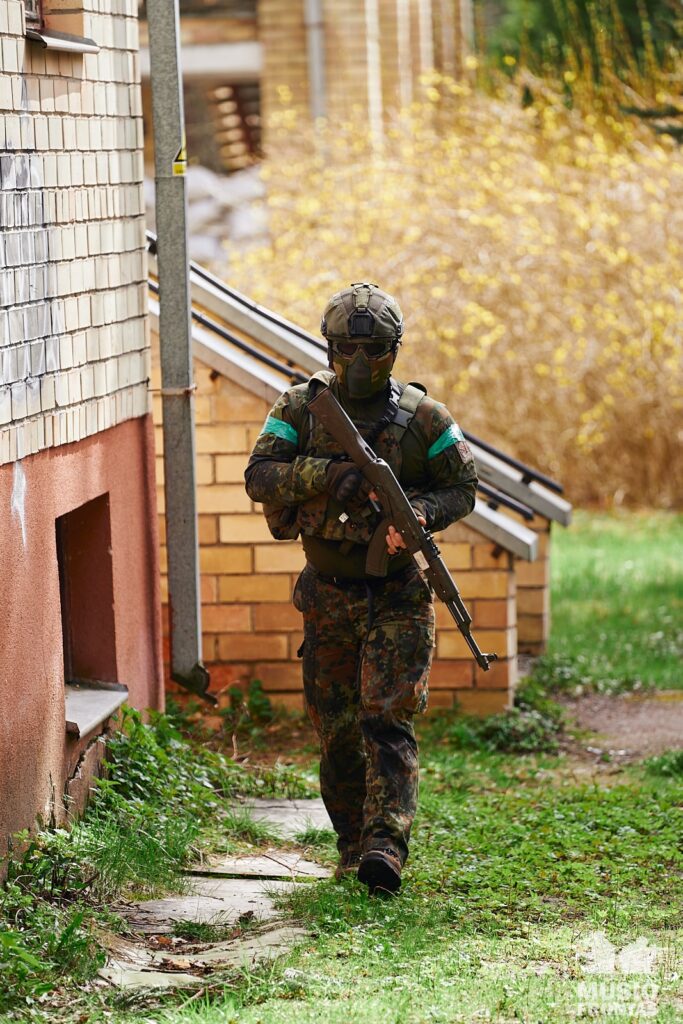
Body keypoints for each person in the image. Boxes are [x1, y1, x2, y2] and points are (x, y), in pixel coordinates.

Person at [244, 282, 477, 894]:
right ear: (329, 348)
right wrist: (328, 475)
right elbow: (259, 475)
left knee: (387, 721)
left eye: (373, 350)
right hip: (327, 596)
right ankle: (352, 845)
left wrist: (419, 515)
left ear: (394, 351)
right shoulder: (301, 408)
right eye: (346, 348)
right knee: (337, 731)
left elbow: (463, 488)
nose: (359, 361)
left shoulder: (426, 419)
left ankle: (385, 847)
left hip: (398, 595)